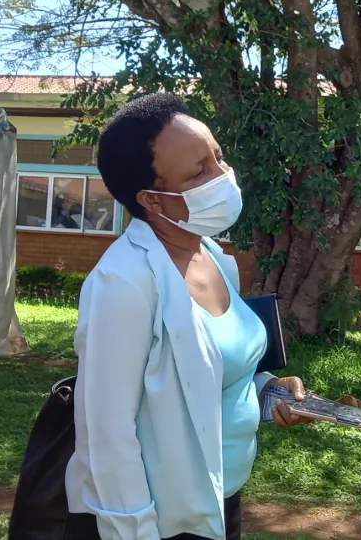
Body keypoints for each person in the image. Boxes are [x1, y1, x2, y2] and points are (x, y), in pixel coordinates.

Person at [64, 93, 311, 540]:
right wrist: (133, 530)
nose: (222, 177)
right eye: (198, 172)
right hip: (162, 519)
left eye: (218, 158)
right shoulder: (124, 283)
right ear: (152, 201)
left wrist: (266, 389)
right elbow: (105, 432)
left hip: (219, 499)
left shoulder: (213, 256)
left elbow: (206, 374)